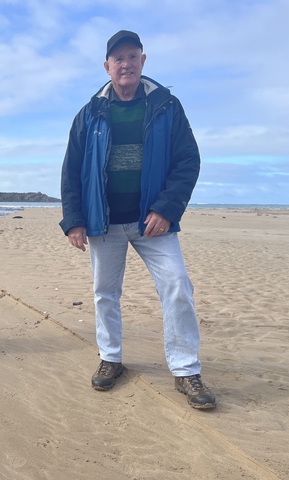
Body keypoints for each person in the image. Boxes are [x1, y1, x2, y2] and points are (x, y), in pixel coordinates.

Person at [59, 31, 216, 409]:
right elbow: (72, 169)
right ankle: (111, 358)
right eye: (118, 59)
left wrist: (166, 209)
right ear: (107, 67)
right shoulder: (90, 112)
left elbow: (187, 161)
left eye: (132, 57)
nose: (125, 64)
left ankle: (185, 369)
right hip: (104, 221)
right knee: (104, 292)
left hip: (153, 222)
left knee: (177, 285)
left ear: (143, 61)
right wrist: (74, 220)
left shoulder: (166, 106)